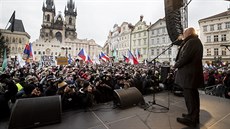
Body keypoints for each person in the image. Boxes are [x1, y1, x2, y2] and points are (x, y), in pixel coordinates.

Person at [174, 27, 204, 127]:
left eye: (184, 32)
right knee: (193, 96)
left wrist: (176, 65)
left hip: (189, 75)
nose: (183, 34)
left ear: (189, 33)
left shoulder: (191, 42)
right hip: (191, 75)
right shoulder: (194, 41)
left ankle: (191, 119)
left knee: (190, 97)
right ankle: (193, 115)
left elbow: (185, 57)